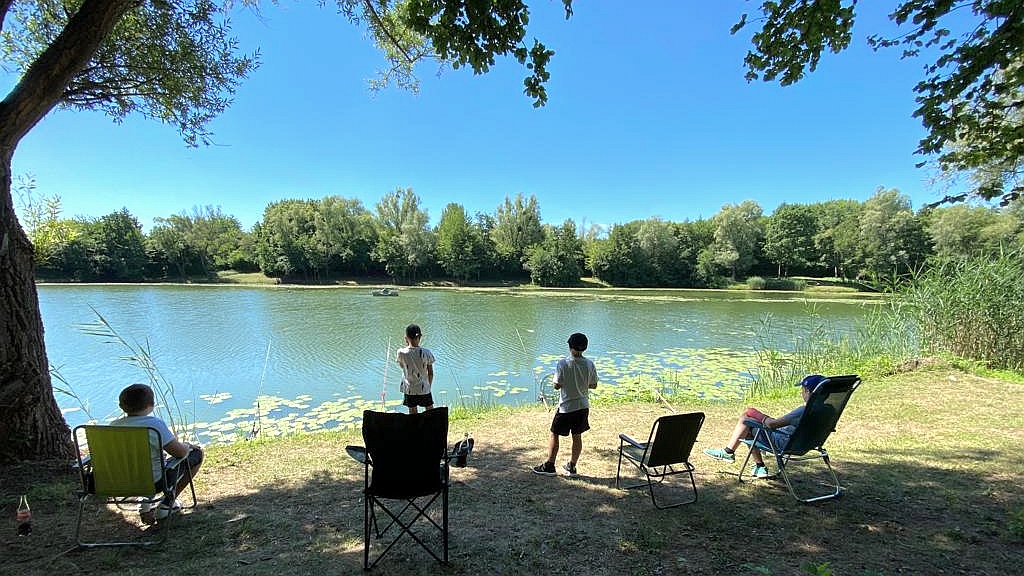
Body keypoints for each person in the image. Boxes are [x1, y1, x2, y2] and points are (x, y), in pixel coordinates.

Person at [110, 383, 204, 524]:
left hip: (118, 482)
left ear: (121, 406)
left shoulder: (113, 426)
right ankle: (166, 505)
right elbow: (179, 453)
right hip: (154, 482)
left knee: (141, 467)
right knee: (196, 454)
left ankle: (145, 506)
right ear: (151, 404)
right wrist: (188, 446)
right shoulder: (154, 425)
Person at [703, 374, 827, 478]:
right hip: (808, 443)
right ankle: (750, 463)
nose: (801, 393)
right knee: (750, 421)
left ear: (807, 391)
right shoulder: (828, 409)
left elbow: (772, 425)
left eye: (802, 390)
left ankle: (733, 454)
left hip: (784, 443)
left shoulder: (803, 411)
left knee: (747, 421)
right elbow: (782, 423)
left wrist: (756, 414)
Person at [533, 332, 598, 477]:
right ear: (584, 348)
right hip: (582, 406)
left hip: (566, 407)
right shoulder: (589, 364)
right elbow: (593, 385)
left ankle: (549, 465)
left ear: (570, 346)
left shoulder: (562, 363)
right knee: (577, 435)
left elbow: (556, 385)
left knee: (554, 434)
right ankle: (572, 466)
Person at [396, 323, 435, 414]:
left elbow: (402, 366)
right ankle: (431, 426)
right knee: (430, 410)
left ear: (406, 338)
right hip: (424, 387)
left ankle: (414, 427)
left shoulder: (401, 352)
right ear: (420, 337)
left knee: (412, 412)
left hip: (409, 389)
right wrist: (428, 386)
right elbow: (431, 373)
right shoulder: (427, 352)